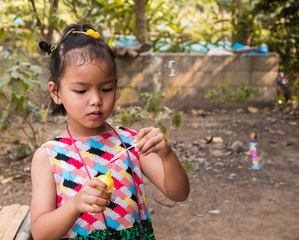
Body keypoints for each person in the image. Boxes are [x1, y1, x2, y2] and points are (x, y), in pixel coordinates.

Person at [31, 23, 190, 240]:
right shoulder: (48, 156)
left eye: (106, 89)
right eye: (81, 90)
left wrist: (168, 155)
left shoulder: (130, 143)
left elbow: (179, 193)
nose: (96, 100)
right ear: (56, 92)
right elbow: (40, 233)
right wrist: (75, 205)